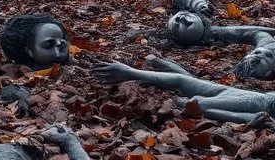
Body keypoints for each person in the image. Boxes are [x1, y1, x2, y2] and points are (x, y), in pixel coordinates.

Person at [95, 54, 275, 123]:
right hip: (258, 100)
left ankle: (134, 72)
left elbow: (198, 105)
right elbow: (197, 104)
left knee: (191, 95)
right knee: (191, 94)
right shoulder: (255, 101)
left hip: (259, 102)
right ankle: (130, 72)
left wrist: (248, 118)